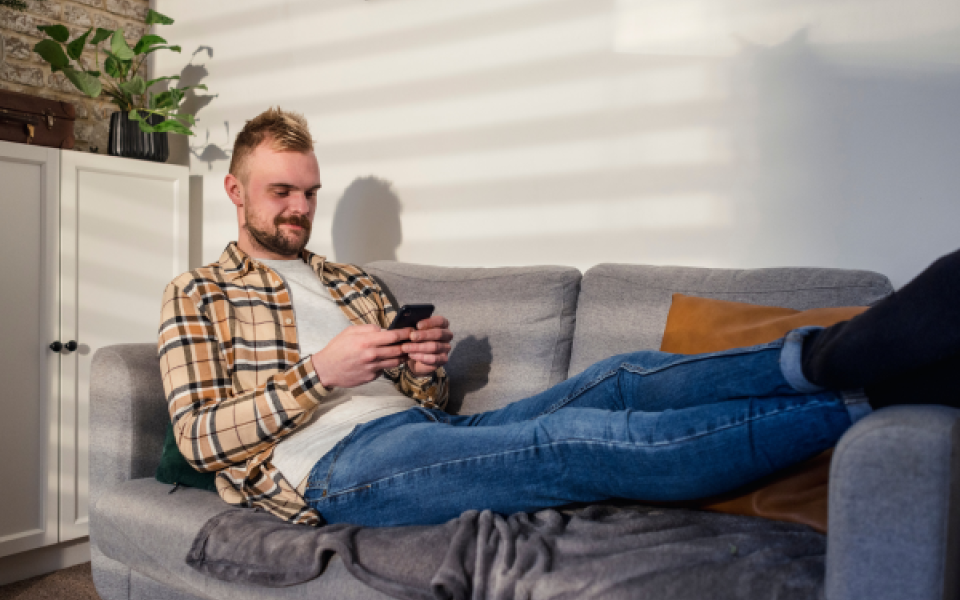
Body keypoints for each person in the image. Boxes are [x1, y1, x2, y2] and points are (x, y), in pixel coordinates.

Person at [158, 107, 960, 528]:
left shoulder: (351, 282)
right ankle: (867, 399)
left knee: (615, 377)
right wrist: (319, 373)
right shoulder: (196, 293)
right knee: (574, 445)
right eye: (281, 193)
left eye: (309, 192)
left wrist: (420, 370)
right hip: (332, 472)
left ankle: (827, 357)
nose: (299, 209)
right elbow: (197, 436)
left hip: (421, 435)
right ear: (236, 192)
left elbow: (423, 410)